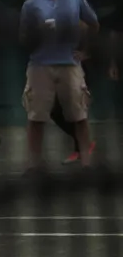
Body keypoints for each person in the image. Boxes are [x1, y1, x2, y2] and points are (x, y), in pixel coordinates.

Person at [20, 0, 99, 168]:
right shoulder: (31, 5)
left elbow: (94, 24)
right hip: (39, 66)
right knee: (36, 118)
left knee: (79, 116)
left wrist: (86, 51)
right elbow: (24, 39)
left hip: (69, 65)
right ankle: (34, 164)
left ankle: (87, 163)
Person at [50, 27, 118, 164]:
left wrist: (87, 54)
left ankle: (81, 148)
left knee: (73, 111)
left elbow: (102, 40)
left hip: (80, 72)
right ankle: (83, 145)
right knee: (56, 112)